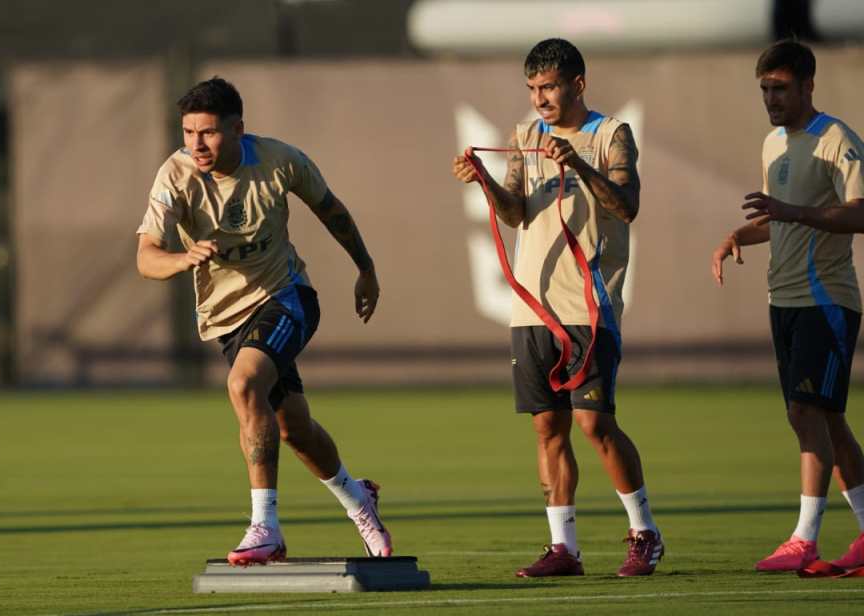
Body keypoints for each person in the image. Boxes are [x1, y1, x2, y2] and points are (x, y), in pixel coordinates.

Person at [135, 77, 392, 565]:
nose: (196, 144)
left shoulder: (279, 160)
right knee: (294, 429)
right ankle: (359, 500)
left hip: (287, 297)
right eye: (188, 132)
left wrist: (366, 268)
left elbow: (330, 209)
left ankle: (265, 528)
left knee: (243, 384)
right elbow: (146, 257)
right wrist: (181, 258)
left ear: (237, 129)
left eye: (207, 132)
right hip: (227, 319)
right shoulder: (175, 174)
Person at [451, 38, 664, 577]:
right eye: (532, 89)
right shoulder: (525, 134)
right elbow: (516, 213)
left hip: (589, 305)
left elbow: (627, 205)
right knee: (548, 427)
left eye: (548, 87)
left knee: (595, 425)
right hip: (532, 308)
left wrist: (580, 168)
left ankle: (645, 534)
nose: (540, 98)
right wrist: (484, 182)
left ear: (578, 84)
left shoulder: (611, 134)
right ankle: (563, 548)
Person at [712, 40, 864, 573]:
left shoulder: (837, 140)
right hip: (784, 299)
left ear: (808, 87)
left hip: (827, 300)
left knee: (806, 413)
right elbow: (776, 218)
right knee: (828, 419)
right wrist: (738, 234)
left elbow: (860, 214)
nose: (771, 99)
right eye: (764, 90)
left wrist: (791, 211)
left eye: (780, 89)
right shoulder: (773, 144)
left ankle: (805, 538)